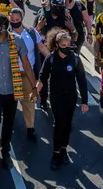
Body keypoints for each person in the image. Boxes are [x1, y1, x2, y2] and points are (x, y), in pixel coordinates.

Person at [0, 13, 38, 179]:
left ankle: (5, 153)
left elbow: (26, 64)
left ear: (4, 26)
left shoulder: (17, 40)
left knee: (8, 124)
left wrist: (34, 87)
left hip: (13, 91)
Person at [38, 29, 89, 170]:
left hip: (71, 97)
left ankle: (64, 149)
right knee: (59, 123)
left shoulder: (74, 58)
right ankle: (56, 153)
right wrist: (35, 92)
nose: (67, 47)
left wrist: (84, 101)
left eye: (68, 44)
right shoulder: (51, 58)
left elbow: (82, 80)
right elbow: (42, 77)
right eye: (63, 45)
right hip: (56, 96)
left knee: (67, 125)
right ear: (57, 45)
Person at [9, 8, 45, 140]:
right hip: (11, 74)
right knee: (10, 100)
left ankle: (30, 127)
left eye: (17, 20)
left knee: (29, 100)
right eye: (12, 20)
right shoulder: (6, 34)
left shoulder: (31, 32)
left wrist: (52, 60)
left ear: (22, 18)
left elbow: (41, 47)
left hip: (28, 73)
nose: (15, 23)